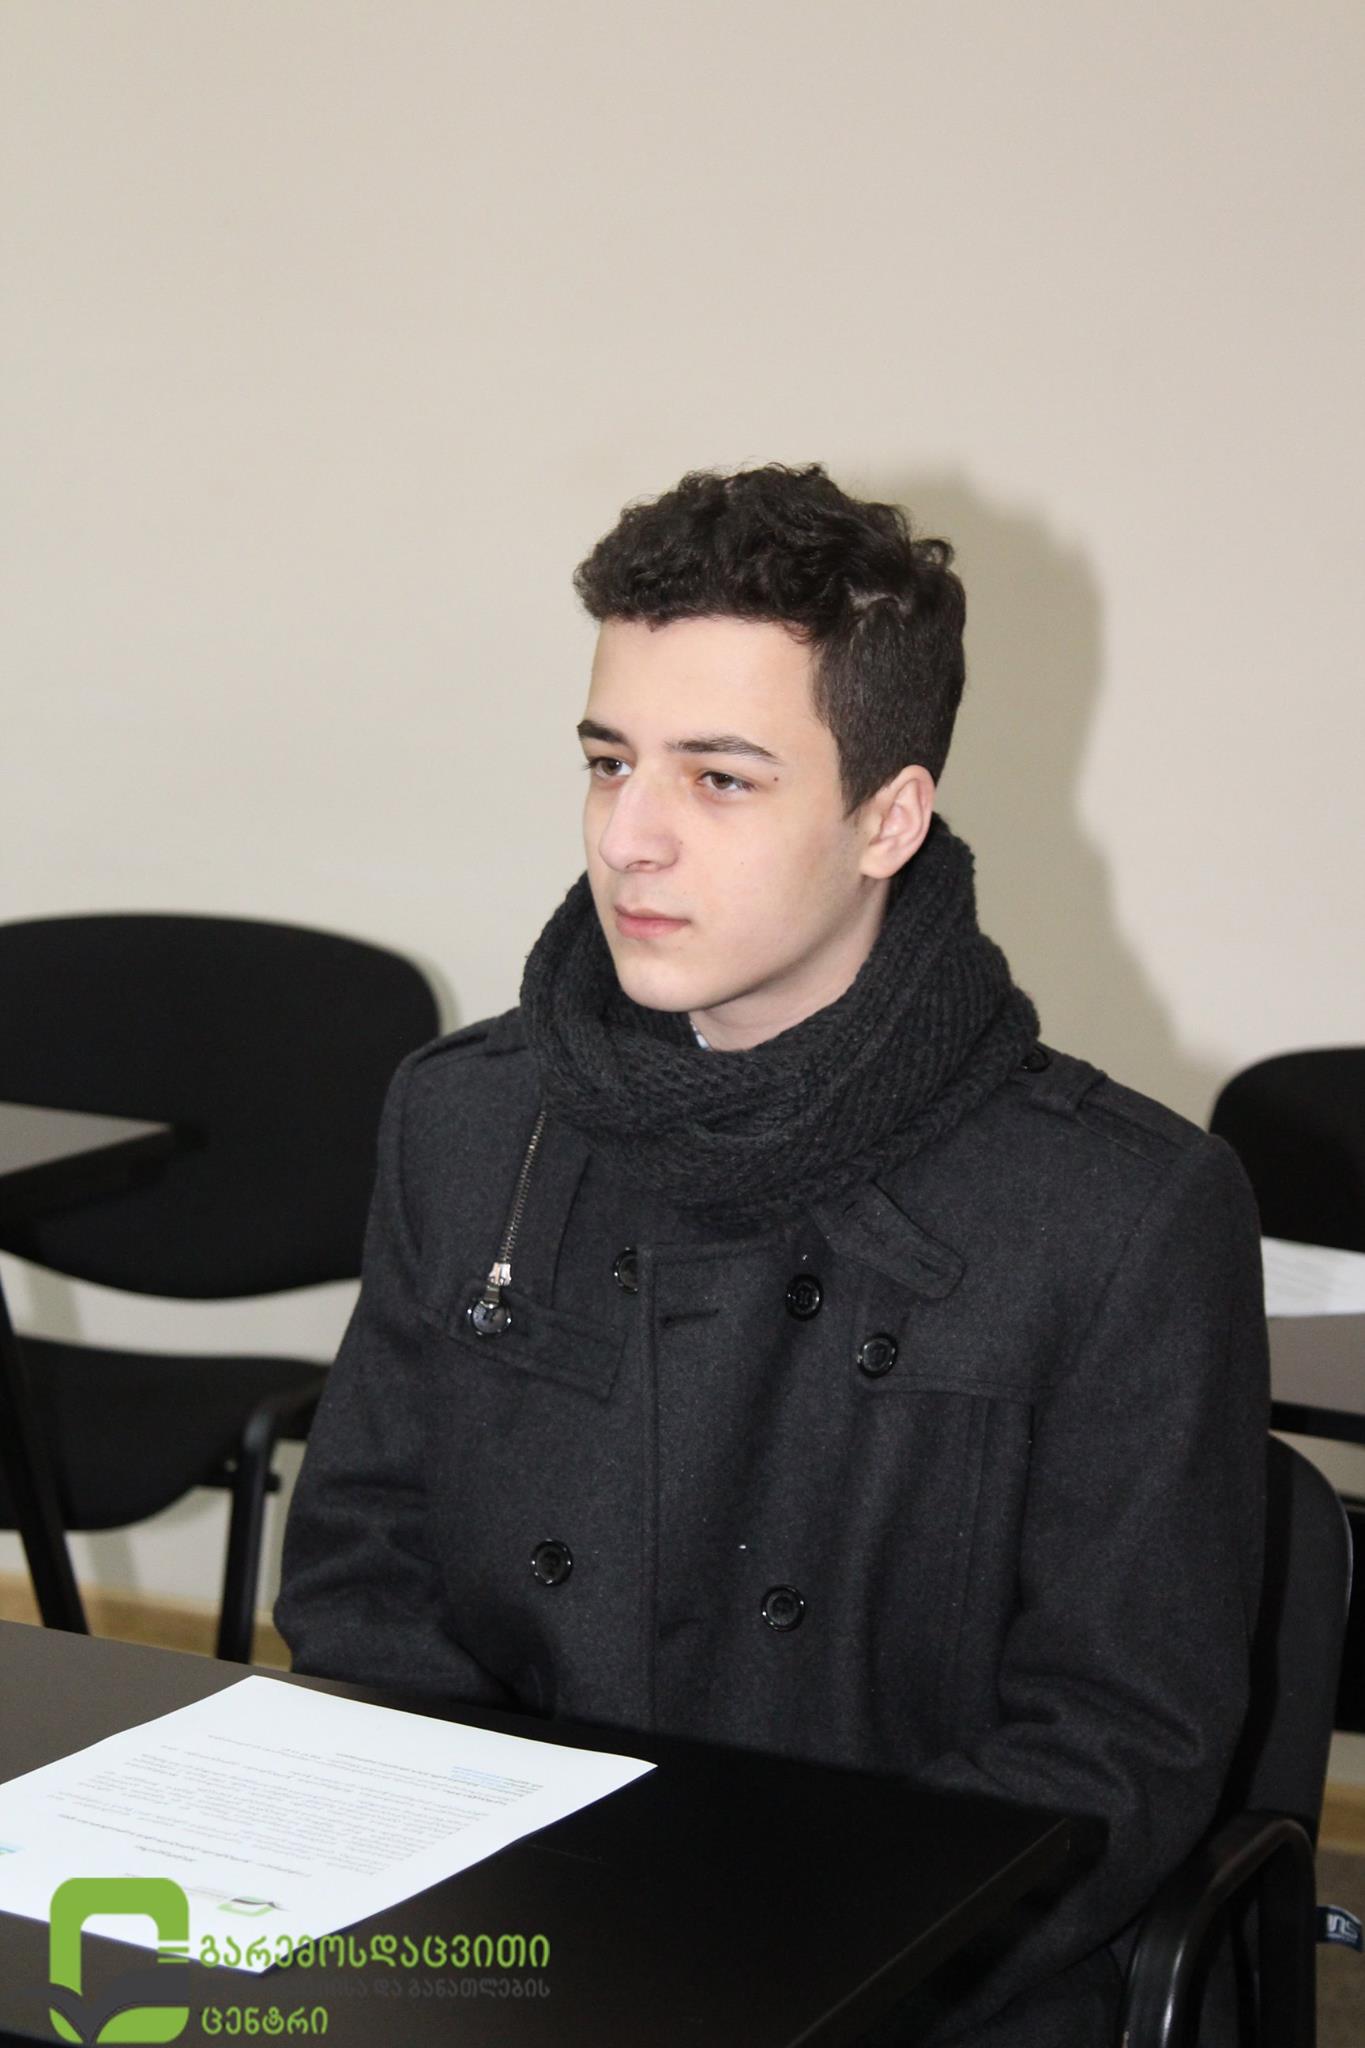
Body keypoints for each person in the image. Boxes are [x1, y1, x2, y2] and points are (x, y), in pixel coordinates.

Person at [276, 464, 1268, 2045]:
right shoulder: (468, 1121)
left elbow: (1114, 1742)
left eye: (720, 780)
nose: (630, 840)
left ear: (889, 818)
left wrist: (801, 1973)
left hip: (907, 1981)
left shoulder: (1118, 1208)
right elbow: (358, 1566)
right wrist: (499, 1894)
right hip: (518, 1939)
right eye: (609, 762)